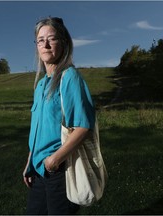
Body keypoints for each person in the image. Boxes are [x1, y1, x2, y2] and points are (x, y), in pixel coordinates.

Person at [23, 16, 96, 215]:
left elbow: (83, 126)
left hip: (60, 170)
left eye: (52, 39)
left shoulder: (69, 77)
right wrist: (30, 164)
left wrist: (54, 161)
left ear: (63, 43)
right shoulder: (40, 85)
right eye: (40, 40)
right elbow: (38, 130)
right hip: (39, 171)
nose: (45, 45)